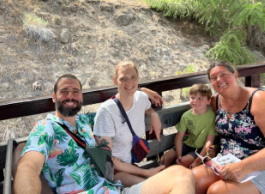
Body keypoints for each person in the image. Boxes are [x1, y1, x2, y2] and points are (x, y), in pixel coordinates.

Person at [13, 74, 196, 194]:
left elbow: (119, 104)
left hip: (114, 188)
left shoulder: (87, 121)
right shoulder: (46, 127)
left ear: (81, 98)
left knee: (182, 175)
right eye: (64, 92)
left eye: (75, 91)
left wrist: (143, 95)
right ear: (54, 98)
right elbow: (28, 167)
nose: (70, 96)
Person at [192, 61, 265, 194]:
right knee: (191, 181)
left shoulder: (258, 99)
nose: (219, 80)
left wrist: (243, 167)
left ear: (235, 75)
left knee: (217, 191)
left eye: (223, 74)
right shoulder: (215, 101)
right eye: (214, 78)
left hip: (258, 165)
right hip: (226, 160)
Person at [93, 61, 165, 187]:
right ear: (115, 81)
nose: (129, 83)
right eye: (123, 79)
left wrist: (154, 114)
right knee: (157, 188)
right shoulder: (106, 112)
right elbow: (109, 159)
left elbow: (147, 107)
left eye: (133, 77)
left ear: (138, 79)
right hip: (113, 172)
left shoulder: (141, 98)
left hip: (131, 167)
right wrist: (146, 172)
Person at [161, 84, 218, 168]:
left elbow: (209, 143)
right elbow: (179, 138)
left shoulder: (212, 116)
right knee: (164, 159)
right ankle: (163, 177)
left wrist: (197, 161)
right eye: (192, 97)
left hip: (201, 149)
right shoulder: (186, 116)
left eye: (200, 98)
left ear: (208, 101)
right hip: (188, 144)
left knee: (183, 162)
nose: (195, 101)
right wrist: (179, 155)